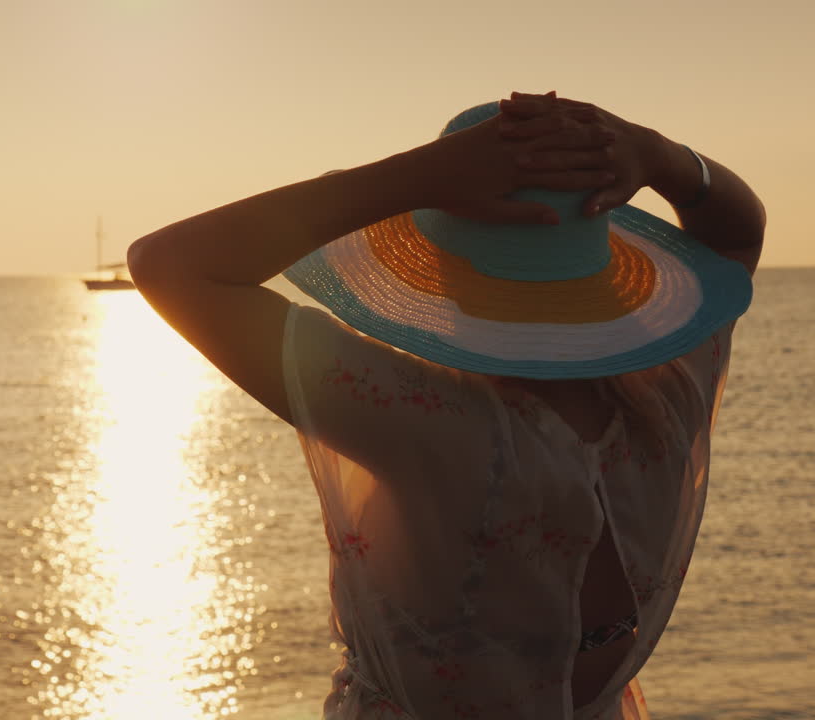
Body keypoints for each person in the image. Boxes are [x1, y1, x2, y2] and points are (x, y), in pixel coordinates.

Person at [126, 91, 765, 719]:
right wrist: (662, 159)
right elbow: (737, 238)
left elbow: (170, 264)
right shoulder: (668, 392)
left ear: (442, 268)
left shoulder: (424, 419)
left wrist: (418, 176)